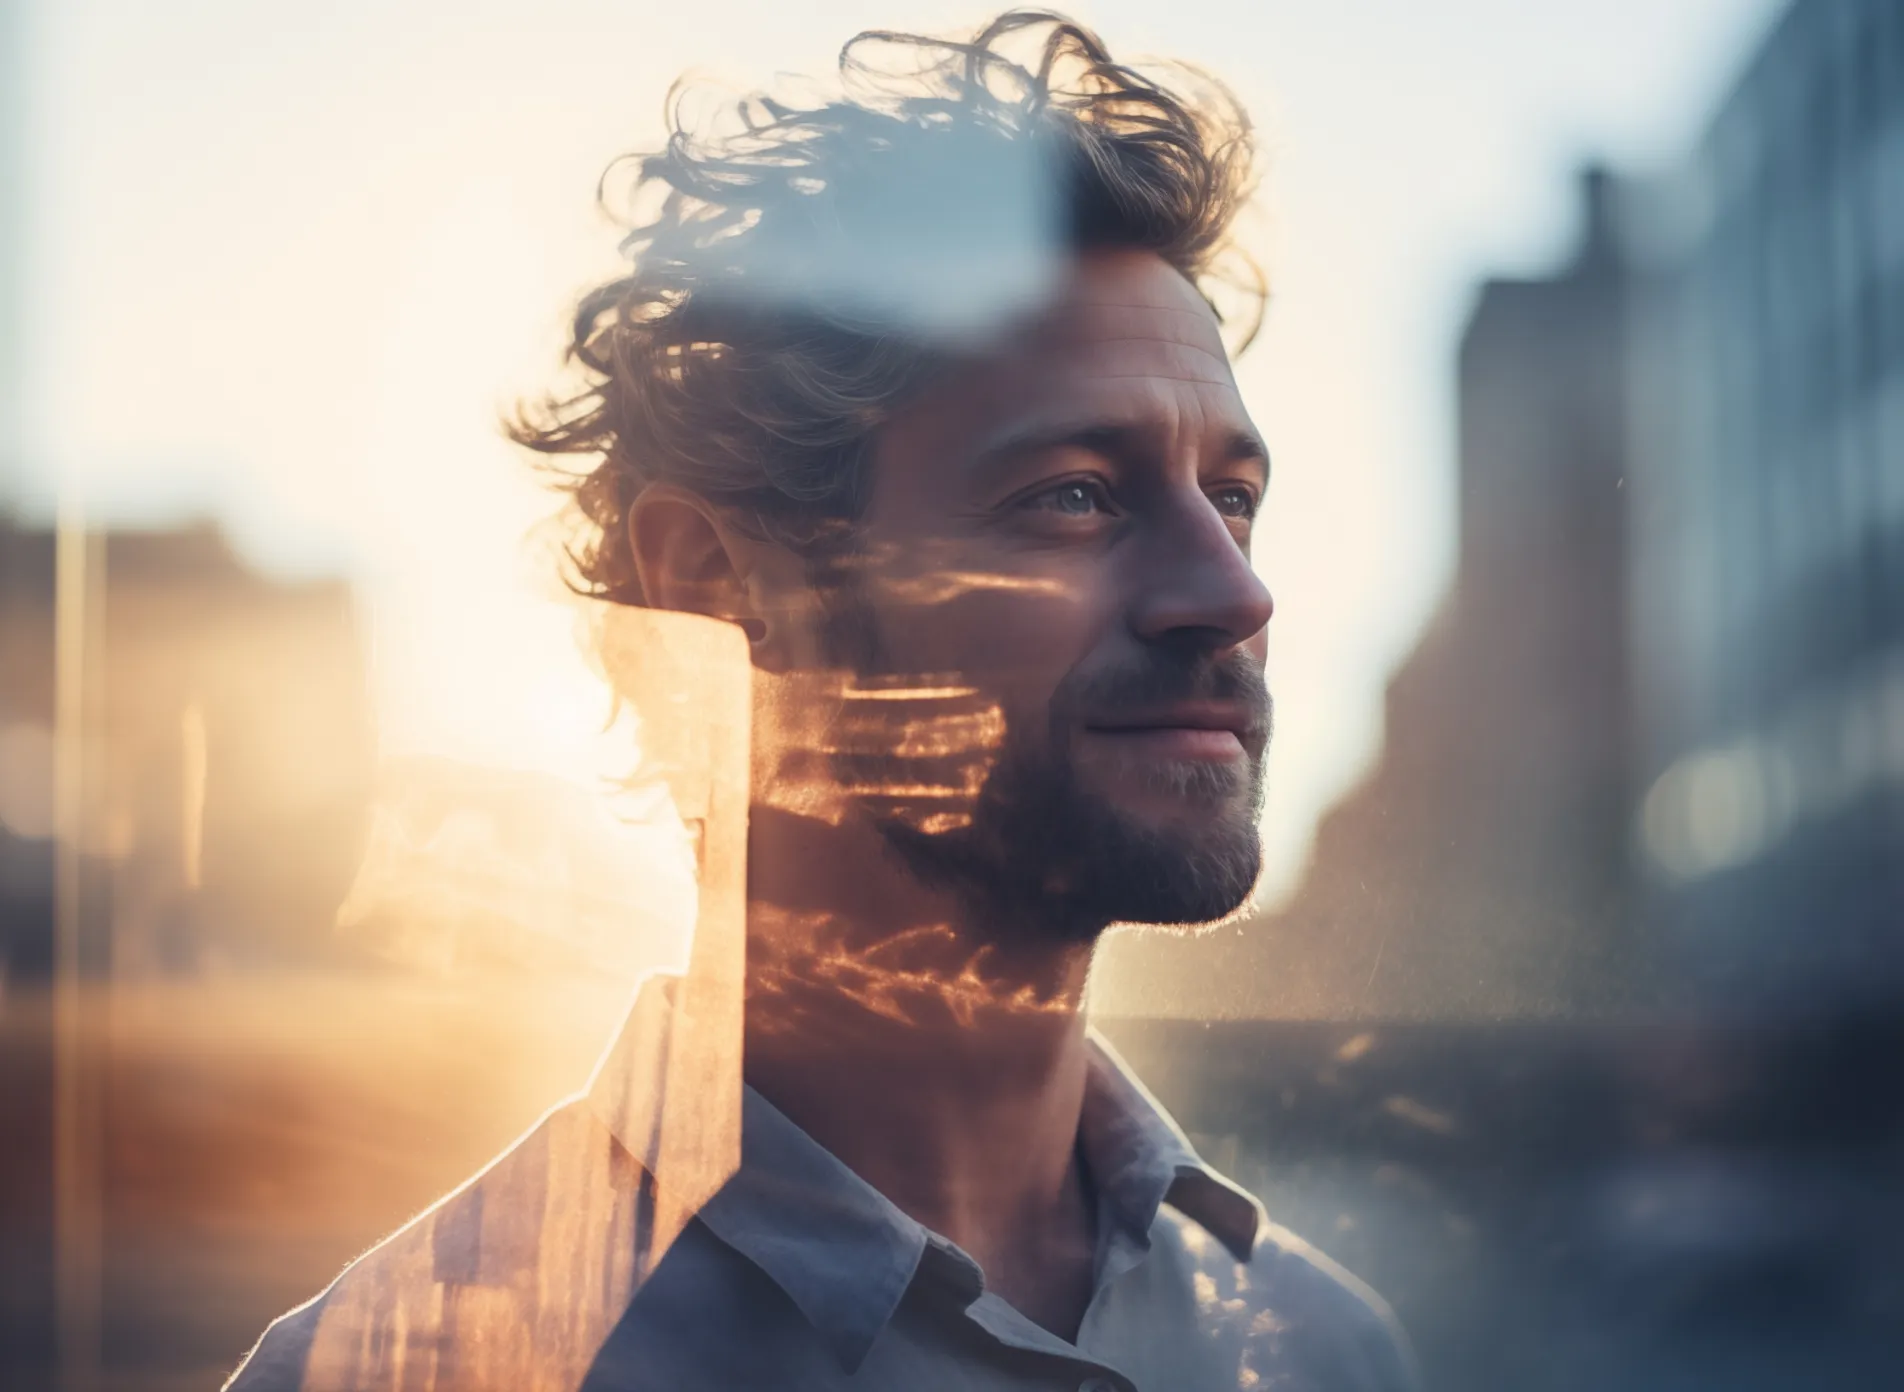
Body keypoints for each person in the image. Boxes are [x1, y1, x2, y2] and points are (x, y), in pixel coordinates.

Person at [226, 10, 1418, 1390]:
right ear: (723, 595)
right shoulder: (411, 1375)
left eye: (1235, 498)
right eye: (1075, 496)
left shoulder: (1329, 1352)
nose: (1233, 592)